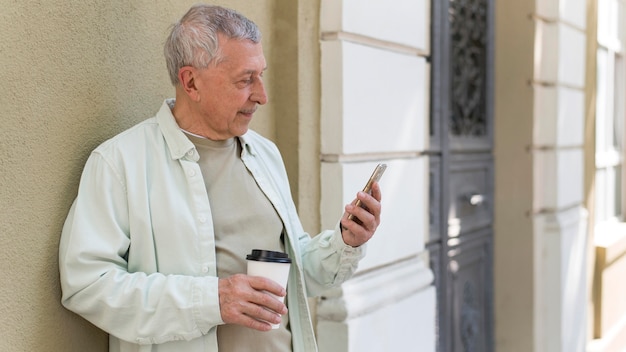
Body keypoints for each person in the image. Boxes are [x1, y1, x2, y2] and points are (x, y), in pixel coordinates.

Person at [58, 4, 382, 352]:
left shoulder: (265, 154)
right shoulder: (119, 162)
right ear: (191, 82)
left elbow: (294, 271)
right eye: (245, 80)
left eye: (261, 75)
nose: (262, 96)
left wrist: (345, 244)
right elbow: (87, 285)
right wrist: (212, 300)